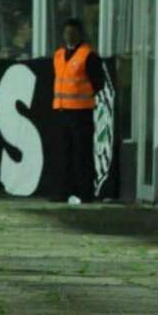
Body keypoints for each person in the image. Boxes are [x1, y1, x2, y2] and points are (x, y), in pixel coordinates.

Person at [52, 17, 105, 205]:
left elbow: (98, 82)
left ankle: (85, 193)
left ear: (80, 34)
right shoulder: (58, 55)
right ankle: (63, 192)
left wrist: (85, 96)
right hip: (62, 110)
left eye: (72, 33)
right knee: (63, 153)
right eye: (66, 32)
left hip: (81, 112)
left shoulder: (88, 56)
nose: (69, 36)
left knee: (82, 154)